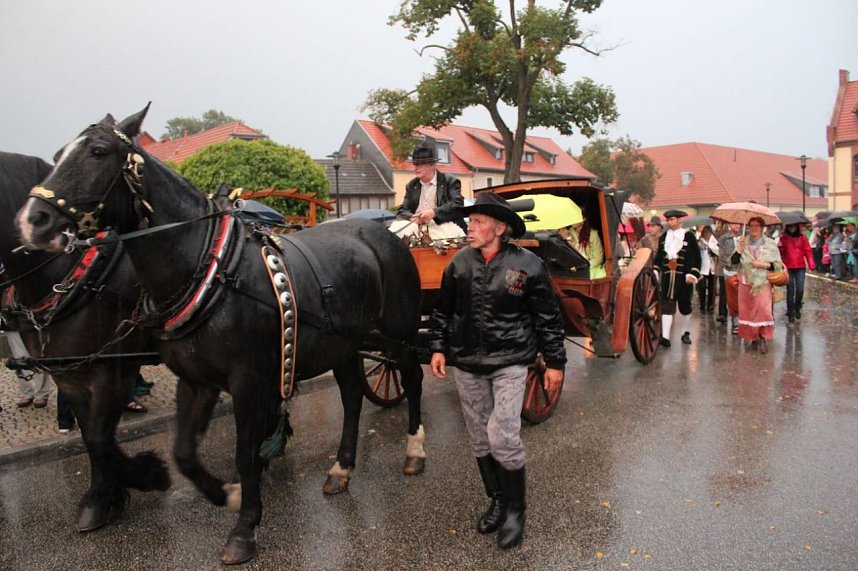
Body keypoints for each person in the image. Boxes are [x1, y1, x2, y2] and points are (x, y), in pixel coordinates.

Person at [428, 191, 566, 550]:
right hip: (468, 364)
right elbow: (443, 312)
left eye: (477, 222)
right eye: (469, 222)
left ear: (499, 228)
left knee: (503, 436)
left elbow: (549, 318)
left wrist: (555, 363)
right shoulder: (458, 264)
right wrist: (438, 348)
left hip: (511, 362)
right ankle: (498, 500)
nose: (469, 228)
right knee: (478, 437)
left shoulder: (528, 265)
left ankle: (517, 511)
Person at [732, 217, 784, 353]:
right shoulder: (743, 242)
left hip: (763, 282)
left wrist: (762, 264)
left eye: (757, 226)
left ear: (762, 228)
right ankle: (753, 337)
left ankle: (762, 337)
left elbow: (778, 265)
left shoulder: (770, 244)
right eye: (751, 226)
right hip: (745, 281)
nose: (754, 228)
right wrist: (739, 249)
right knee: (748, 311)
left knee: (763, 310)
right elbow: (733, 262)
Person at [653, 210, 701, 347]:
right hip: (668, 277)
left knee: (685, 306)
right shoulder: (663, 237)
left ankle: (685, 333)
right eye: (668, 220)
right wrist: (656, 270)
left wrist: (693, 274)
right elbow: (659, 258)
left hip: (684, 277)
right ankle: (665, 337)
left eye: (672, 219)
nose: (670, 222)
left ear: (680, 220)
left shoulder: (689, 236)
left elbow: (697, 258)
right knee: (667, 305)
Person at [396, 146, 467, 233]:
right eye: (415, 164)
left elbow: (457, 205)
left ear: (432, 164)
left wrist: (434, 213)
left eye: (420, 164)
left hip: (446, 227)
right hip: (418, 229)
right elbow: (402, 210)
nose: (416, 167)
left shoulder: (450, 181)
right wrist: (412, 217)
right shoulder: (411, 185)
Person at [778, 223, 814, 322]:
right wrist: (780, 246)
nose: (792, 228)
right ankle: (790, 311)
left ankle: (797, 307)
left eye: (793, 226)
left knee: (800, 289)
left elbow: (808, 251)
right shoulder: (784, 238)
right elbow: (781, 253)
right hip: (788, 267)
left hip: (800, 266)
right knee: (790, 290)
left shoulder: (803, 238)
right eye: (790, 226)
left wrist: (811, 264)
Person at [6, 329, 52, 408]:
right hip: (12, 321)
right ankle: (27, 391)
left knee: (38, 355)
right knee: (19, 358)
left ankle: (41, 393)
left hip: (35, 320)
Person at [718, 222, 743, 333]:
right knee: (732, 296)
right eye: (734, 224)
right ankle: (735, 320)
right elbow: (722, 255)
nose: (736, 226)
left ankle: (744, 320)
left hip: (743, 270)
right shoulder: (724, 238)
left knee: (743, 296)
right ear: (730, 225)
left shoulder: (744, 237)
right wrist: (729, 264)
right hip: (729, 271)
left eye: (738, 224)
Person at [696, 225, 719, 313]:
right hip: (702, 268)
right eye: (705, 233)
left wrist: (713, 252)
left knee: (711, 288)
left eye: (708, 233)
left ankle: (710, 305)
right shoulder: (699, 242)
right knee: (701, 288)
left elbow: (718, 253)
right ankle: (702, 306)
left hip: (712, 268)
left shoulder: (714, 242)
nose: (707, 235)